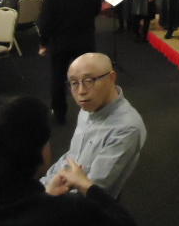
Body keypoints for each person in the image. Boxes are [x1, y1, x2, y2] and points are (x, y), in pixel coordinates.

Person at [0, 95, 136, 226]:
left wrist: (45, 196)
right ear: (40, 153)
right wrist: (87, 186)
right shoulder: (73, 211)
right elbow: (124, 222)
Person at [41, 53, 146, 200]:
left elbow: (92, 191)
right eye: (74, 83)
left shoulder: (127, 128)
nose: (81, 91)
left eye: (89, 81)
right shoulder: (89, 107)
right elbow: (72, 156)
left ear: (112, 78)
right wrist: (43, 185)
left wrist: (44, 199)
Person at [38, 0, 102, 124]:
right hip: (85, 39)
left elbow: (46, 20)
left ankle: (59, 114)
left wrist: (43, 42)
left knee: (58, 77)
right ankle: (92, 110)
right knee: (88, 77)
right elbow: (97, 10)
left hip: (60, 42)